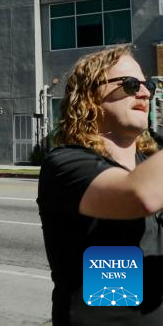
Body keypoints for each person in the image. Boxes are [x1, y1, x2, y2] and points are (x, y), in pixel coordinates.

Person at [38, 46, 163, 324]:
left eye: (148, 85)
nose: (145, 93)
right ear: (90, 96)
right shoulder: (66, 163)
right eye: (130, 84)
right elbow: (139, 195)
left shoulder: (152, 161)